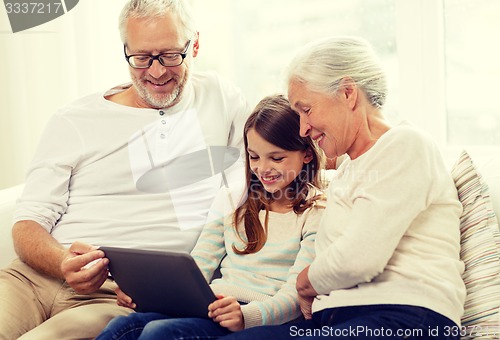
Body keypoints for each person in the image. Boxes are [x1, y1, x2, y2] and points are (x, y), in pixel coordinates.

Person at [0, 0, 250, 339]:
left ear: (196, 45)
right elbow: (27, 223)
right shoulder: (74, 119)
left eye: (170, 55)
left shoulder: (221, 98)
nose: (157, 72)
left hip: (116, 296)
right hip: (31, 279)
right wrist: (61, 262)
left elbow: (281, 151)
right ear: (126, 51)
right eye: (142, 58)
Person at [226, 37, 466, 339]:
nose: (303, 129)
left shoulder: (405, 145)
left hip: (404, 316)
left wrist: (305, 283)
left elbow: (358, 259)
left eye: (306, 109)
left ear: (348, 93)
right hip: (343, 320)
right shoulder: (349, 171)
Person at [96, 94, 326, 339]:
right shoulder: (232, 199)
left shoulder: (317, 210)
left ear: (307, 154)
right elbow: (198, 266)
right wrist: (145, 295)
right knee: (122, 327)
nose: (263, 168)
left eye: (277, 158)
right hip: (213, 305)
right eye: (254, 156)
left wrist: (247, 316)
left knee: (160, 332)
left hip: (261, 315)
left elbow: (297, 293)